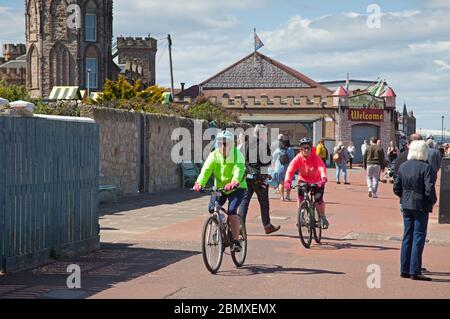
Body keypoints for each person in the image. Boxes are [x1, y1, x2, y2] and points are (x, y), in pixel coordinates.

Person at [193, 130, 247, 253]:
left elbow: (239, 169)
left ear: (231, 144)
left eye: (226, 143)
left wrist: (234, 182)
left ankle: (235, 240)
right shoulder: (214, 155)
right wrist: (199, 183)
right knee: (212, 208)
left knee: (232, 211)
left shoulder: (237, 154)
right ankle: (220, 224)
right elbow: (206, 169)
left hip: (237, 187)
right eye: (220, 143)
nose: (223, 146)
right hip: (220, 188)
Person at [394, 140, 437, 281]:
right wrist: (432, 200)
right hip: (420, 204)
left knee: (407, 236)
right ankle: (415, 270)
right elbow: (429, 188)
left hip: (406, 203)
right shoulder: (426, 167)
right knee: (418, 237)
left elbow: (396, 187)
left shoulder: (403, 166)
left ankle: (404, 269)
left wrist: (403, 196)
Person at [239, 125, 281, 235]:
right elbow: (267, 162)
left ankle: (239, 226)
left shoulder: (246, 144)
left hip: (247, 176)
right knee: (264, 203)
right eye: (265, 134)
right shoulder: (263, 145)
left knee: (244, 202)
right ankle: (267, 226)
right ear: (262, 134)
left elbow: (241, 159)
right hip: (260, 178)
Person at [284, 138, 329, 229]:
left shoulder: (315, 156)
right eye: (304, 148)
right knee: (301, 197)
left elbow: (321, 167)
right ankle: (300, 217)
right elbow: (290, 169)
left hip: (317, 181)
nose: (306, 150)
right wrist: (287, 181)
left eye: (308, 148)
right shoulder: (298, 158)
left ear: (311, 148)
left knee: (318, 200)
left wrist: (323, 178)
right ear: (301, 149)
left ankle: (323, 217)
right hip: (303, 180)